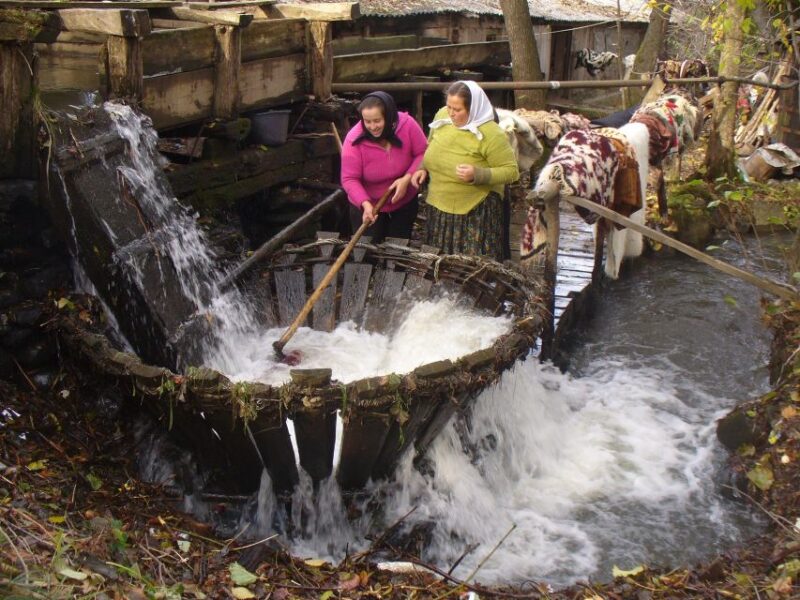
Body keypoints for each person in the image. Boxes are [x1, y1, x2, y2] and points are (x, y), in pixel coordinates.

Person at [411, 81, 519, 260]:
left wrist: (479, 174)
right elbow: (430, 147)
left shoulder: (491, 133)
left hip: (475, 212)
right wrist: (423, 167)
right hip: (439, 208)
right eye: (449, 107)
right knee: (439, 264)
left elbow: (511, 171)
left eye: (458, 109)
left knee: (468, 266)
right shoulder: (442, 117)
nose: (451, 113)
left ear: (474, 108)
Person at [340, 91, 428, 243]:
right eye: (367, 122)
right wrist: (365, 204)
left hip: (403, 201)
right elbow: (349, 178)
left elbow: (423, 152)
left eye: (377, 120)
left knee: (397, 252)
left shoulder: (407, 125)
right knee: (366, 253)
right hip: (369, 205)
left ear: (389, 116)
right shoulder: (354, 140)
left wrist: (407, 178)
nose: (372, 127)